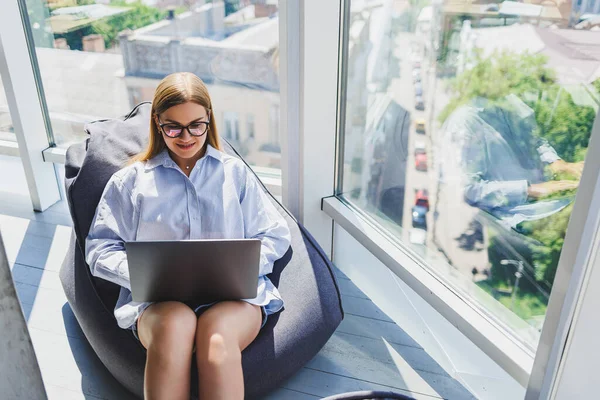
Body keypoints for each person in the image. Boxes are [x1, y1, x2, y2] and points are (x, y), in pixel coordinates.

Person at [85, 72, 291, 400]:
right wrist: (139, 273)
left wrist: (247, 266)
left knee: (218, 338)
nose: (186, 137)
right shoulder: (130, 182)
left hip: (234, 301)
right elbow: (99, 248)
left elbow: (276, 233)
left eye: (196, 125)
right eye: (173, 127)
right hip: (158, 303)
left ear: (209, 119)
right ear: (157, 123)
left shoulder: (234, 174)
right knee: (173, 327)